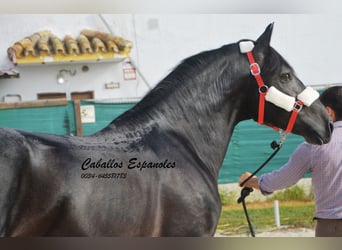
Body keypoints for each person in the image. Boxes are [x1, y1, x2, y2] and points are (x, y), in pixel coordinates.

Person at [238, 86, 342, 237]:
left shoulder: (314, 146)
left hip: (333, 227)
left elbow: (284, 178)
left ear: (328, 112)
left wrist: (254, 181)